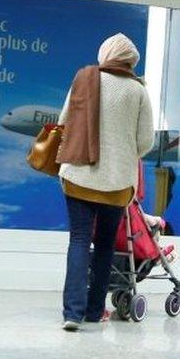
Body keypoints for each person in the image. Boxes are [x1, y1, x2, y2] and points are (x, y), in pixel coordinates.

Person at [56, 33, 154, 332]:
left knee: (79, 240)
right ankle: (95, 310)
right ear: (130, 60)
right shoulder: (138, 91)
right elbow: (145, 142)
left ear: (106, 54)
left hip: (78, 177)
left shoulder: (84, 78)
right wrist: (121, 155)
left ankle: (72, 313)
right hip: (116, 183)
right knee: (105, 245)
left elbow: (63, 122)